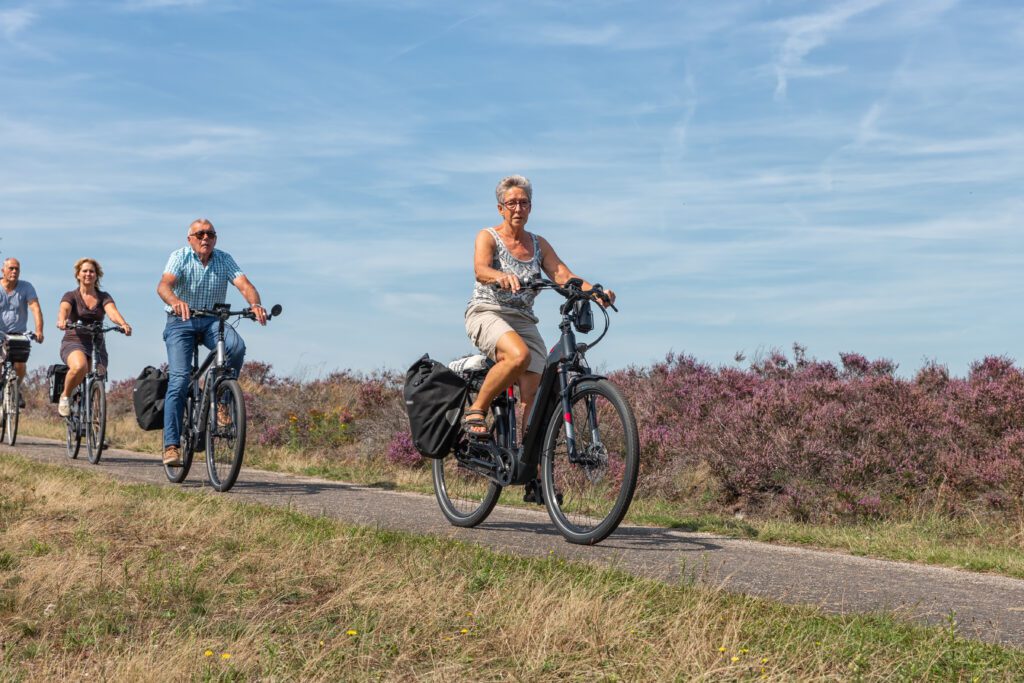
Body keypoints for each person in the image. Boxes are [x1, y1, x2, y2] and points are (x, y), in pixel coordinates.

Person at [463, 175, 615, 455]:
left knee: (535, 392)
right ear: (500, 208)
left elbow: (563, 276)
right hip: (488, 311)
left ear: (531, 207)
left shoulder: (538, 244)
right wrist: (500, 276)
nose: (518, 208)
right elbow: (480, 270)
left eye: (523, 203)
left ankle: (529, 465)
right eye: (511, 203)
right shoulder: (488, 236)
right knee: (518, 356)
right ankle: (476, 410)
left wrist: (595, 292)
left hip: (523, 320)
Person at [156, 219, 267, 467]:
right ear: (190, 239)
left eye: (210, 234)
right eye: (200, 234)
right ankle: (171, 445)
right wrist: (175, 301)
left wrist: (255, 304)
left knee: (236, 347)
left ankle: (222, 400)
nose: (205, 238)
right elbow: (163, 286)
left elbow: (244, 285)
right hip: (181, 321)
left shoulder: (224, 259)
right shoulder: (180, 257)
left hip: (211, 321)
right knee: (179, 380)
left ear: (215, 238)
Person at [55, 258, 132, 417]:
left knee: (99, 374)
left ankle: (94, 419)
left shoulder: (103, 297)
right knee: (80, 367)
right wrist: (62, 320)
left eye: (92, 271)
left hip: (96, 343)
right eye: (84, 271)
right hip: (74, 341)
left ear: (97, 275)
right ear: (78, 275)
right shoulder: (71, 295)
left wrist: (123, 324)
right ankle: (65, 396)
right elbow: (64, 309)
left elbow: (112, 312)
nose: (88, 274)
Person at [0, 258, 45, 406]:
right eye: (11, 268)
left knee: (20, 364)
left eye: (17, 269)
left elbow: (35, 308)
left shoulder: (26, 287)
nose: (14, 271)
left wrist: (39, 330)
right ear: (3, 271)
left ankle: (16, 389)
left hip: (18, 334)